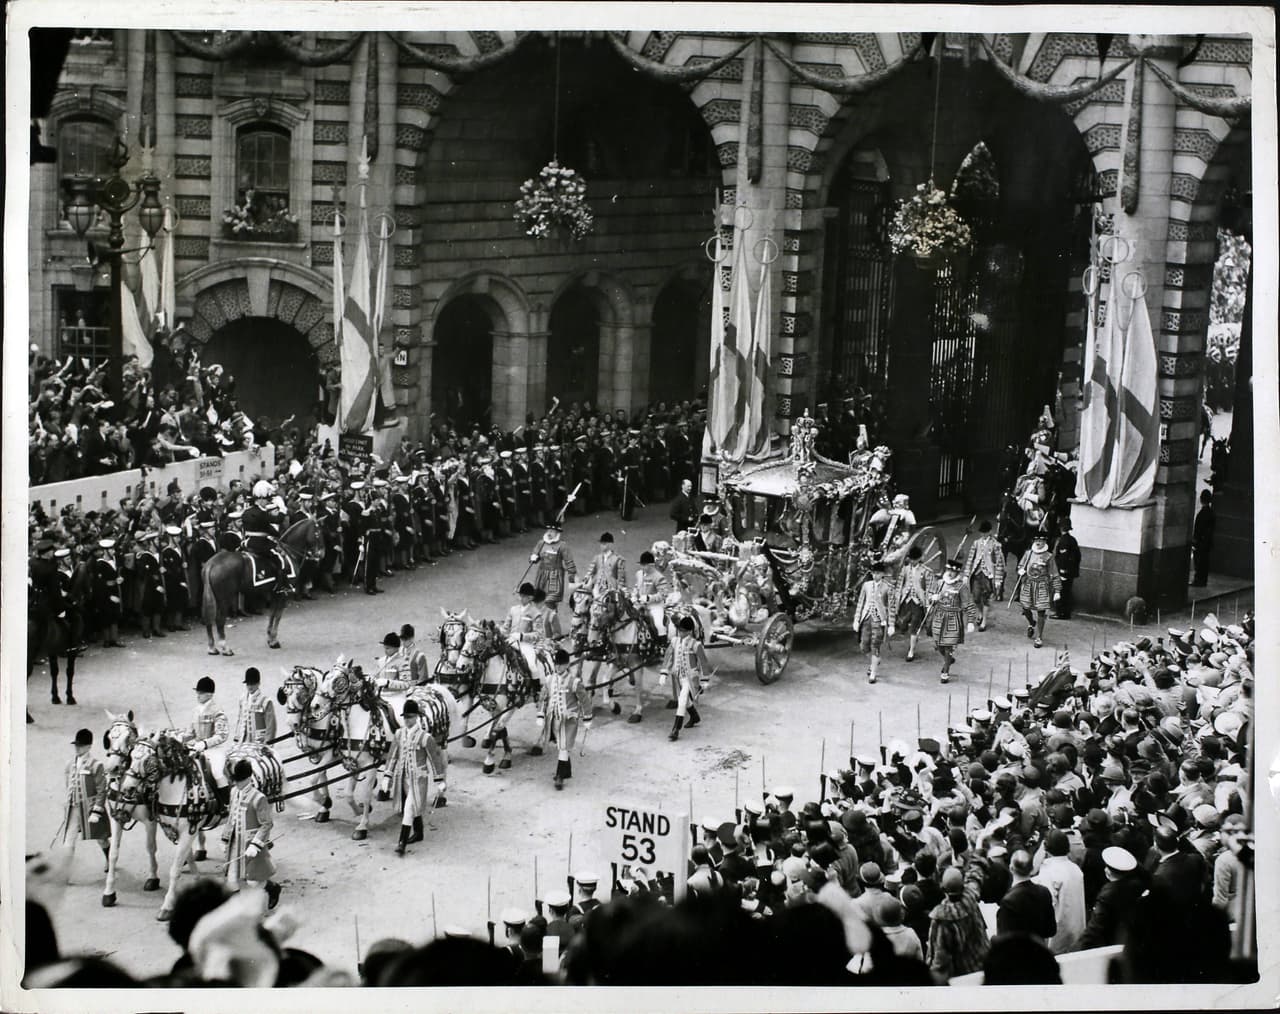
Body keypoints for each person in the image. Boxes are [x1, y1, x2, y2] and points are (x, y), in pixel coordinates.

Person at [221, 758, 282, 909]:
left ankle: (272, 888)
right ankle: (236, 909)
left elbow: (267, 824)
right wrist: (225, 838)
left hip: (251, 845)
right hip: (235, 843)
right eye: (235, 780)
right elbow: (231, 817)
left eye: (240, 780)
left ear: (248, 778)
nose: (236, 783)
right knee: (231, 878)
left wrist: (255, 844)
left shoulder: (258, 798)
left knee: (253, 881)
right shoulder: (234, 792)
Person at [380, 698, 435, 856]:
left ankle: (401, 842)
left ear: (416, 717)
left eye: (410, 717)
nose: (408, 721)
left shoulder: (424, 737)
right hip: (402, 778)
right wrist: (387, 776)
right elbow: (393, 756)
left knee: (408, 808)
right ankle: (419, 832)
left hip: (418, 779)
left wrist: (439, 779)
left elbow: (435, 758)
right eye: (405, 717)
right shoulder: (399, 734)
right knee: (413, 805)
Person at [928, 861, 990, 981]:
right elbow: (975, 877)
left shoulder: (943, 918)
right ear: (963, 885)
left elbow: (940, 958)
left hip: (964, 973)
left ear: (942, 888)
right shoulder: (971, 895)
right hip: (984, 960)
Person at [61, 728, 110, 872]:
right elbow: (68, 784)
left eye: (81, 745)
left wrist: (97, 810)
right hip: (74, 808)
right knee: (68, 841)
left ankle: (108, 858)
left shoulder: (96, 765)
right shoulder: (70, 764)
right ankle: (65, 872)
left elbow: (102, 790)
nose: (77, 748)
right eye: (76, 745)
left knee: (101, 838)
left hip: (90, 808)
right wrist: (68, 802)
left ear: (89, 746)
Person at [540, 649, 588, 790]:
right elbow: (543, 697)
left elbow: (584, 700)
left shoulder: (574, 681)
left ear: (567, 665)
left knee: (563, 746)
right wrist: (540, 714)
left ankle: (559, 775)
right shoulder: (550, 679)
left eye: (561, 665)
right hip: (553, 717)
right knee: (560, 744)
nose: (557, 667)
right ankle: (567, 770)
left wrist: (587, 717)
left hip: (569, 719)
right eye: (556, 665)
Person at [927, 558, 980, 685]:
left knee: (948, 646)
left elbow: (968, 604)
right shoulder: (940, 583)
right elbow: (930, 595)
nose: (950, 573)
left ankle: (945, 671)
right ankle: (948, 660)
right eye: (949, 570)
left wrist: (971, 621)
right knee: (938, 644)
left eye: (953, 571)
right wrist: (932, 598)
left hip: (953, 618)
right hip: (939, 616)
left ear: (957, 573)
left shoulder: (961, 587)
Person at [1034, 830, 1086, 954]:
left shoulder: (1048, 871)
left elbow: (1047, 905)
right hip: (1077, 929)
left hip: (1057, 934)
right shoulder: (1075, 868)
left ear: (1046, 847)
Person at [664, 616, 709, 742]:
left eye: (683, 631)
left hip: (690, 678)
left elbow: (704, 662)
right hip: (677, 676)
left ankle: (676, 729)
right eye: (679, 630)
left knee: (683, 699)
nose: (681, 633)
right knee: (684, 700)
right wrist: (664, 672)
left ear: (689, 631)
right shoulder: (674, 642)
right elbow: (668, 657)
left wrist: (704, 680)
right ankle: (694, 716)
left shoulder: (696, 644)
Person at [995, 850, 1056, 942]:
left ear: (1011, 868)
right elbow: (1051, 930)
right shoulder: (1044, 892)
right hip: (1040, 951)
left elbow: (1004, 941)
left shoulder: (1008, 902)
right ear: (1032, 869)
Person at [1015, 535, 1062, 649]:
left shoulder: (1049, 557)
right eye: (1036, 540)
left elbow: (1054, 574)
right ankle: (1031, 622)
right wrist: (1020, 570)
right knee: (1025, 608)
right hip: (1028, 585)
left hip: (1042, 586)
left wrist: (1057, 590)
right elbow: (1021, 565)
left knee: (1041, 612)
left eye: (1040, 540)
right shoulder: (1028, 553)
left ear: (1044, 541)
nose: (1038, 542)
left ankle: (1039, 637)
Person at [852, 560, 893, 684]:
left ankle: (873, 672)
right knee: (864, 646)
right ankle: (874, 660)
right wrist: (856, 619)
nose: (875, 576)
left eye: (878, 573)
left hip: (879, 621)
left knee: (875, 645)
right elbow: (860, 603)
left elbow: (891, 607)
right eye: (873, 573)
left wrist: (891, 624)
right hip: (866, 618)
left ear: (882, 574)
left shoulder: (887, 587)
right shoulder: (866, 585)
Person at [962, 520, 1005, 632]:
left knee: (986, 598)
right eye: (982, 532)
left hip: (989, 575)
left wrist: (998, 579)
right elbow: (970, 559)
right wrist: (966, 573)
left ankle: (984, 621)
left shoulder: (996, 545)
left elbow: (1000, 562)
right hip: (977, 573)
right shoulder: (976, 543)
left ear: (990, 532)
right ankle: (980, 612)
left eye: (985, 532)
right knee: (976, 597)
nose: (983, 534)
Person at [893, 545, 932, 663]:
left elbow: (930, 588)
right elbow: (899, 585)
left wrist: (929, 602)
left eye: (915, 559)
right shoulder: (905, 570)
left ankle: (911, 651)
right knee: (902, 623)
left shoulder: (926, 571)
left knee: (915, 626)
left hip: (918, 602)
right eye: (912, 559)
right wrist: (896, 599)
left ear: (919, 559)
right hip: (906, 600)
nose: (913, 561)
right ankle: (908, 636)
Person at [529, 524, 576, 618]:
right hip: (542, 576)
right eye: (548, 530)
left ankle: (551, 624)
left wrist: (572, 580)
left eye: (552, 531)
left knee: (550, 602)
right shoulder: (541, 543)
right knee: (539, 601)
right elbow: (534, 556)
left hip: (555, 576)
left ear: (557, 533)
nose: (549, 533)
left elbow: (569, 562)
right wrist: (533, 558)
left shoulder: (562, 545)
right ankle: (541, 624)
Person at [232, 667, 277, 745]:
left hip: (260, 741)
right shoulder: (242, 699)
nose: (250, 687)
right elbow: (240, 719)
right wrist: (237, 738)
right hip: (244, 740)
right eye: (248, 684)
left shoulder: (265, 700)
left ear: (258, 683)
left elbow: (271, 725)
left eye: (252, 684)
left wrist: (268, 743)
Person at [1051, 518, 1080, 620]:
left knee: (1060, 591)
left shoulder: (1063, 541)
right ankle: (1066, 613)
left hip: (1063, 571)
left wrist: (1063, 570)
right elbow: (1078, 556)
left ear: (1061, 528)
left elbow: (1063, 557)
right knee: (1067, 591)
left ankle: (1060, 612)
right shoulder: (1073, 540)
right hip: (1070, 571)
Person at [581, 531, 627, 596]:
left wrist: (619, 591)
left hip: (611, 590)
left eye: (604, 544)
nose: (601, 546)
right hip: (596, 587)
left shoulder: (618, 559)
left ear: (610, 545)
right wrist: (585, 579)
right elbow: (590, 571)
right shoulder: (597, 558)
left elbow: (621, 579)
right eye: (601, 543)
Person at [1191, 489, 1214, 587]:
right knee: (1205, 561)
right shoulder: (1212, 513)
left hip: (1200, 542)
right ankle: (1203, 580)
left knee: (1199, 562)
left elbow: (1198, 529)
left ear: (1201, 499)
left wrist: (1194, 542)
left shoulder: (1201, 514)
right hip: (1207, 542)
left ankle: (1198, 580)